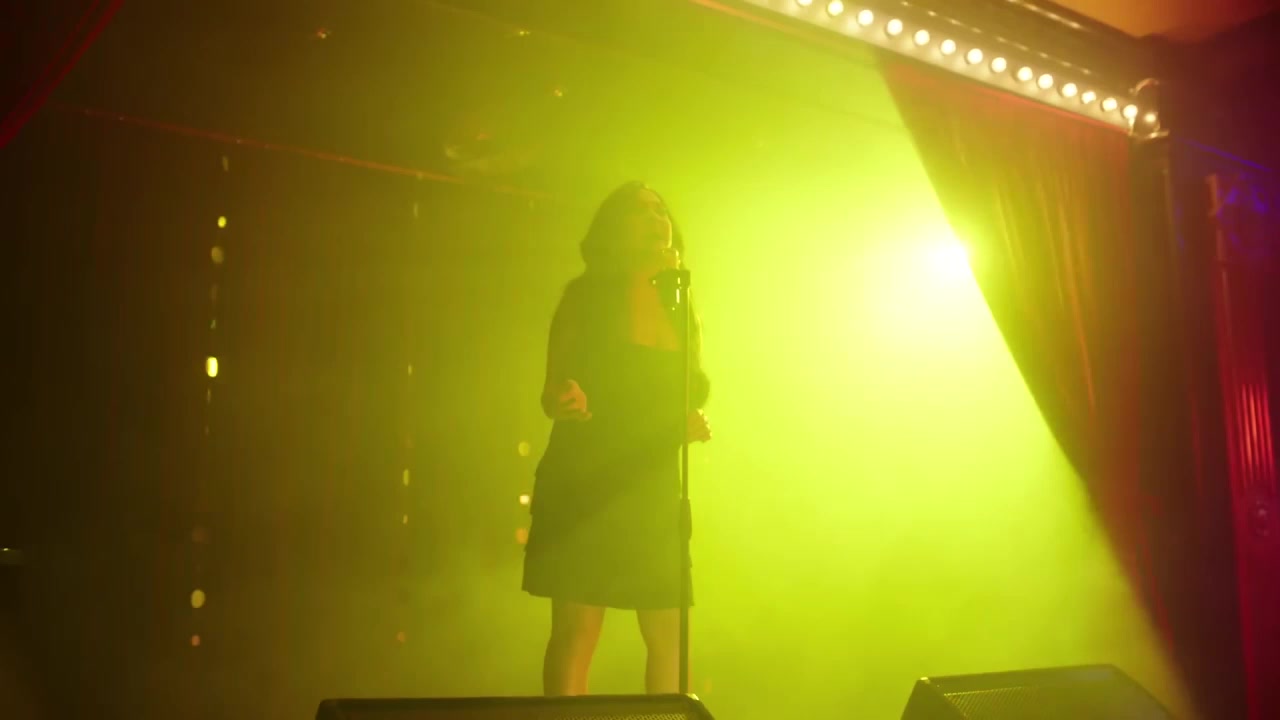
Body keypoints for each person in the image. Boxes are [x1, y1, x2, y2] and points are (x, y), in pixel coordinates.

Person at [522, 181, 712, 696]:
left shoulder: (678, 299)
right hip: (585, 477)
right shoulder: (584, 298)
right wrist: (565, 397)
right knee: (578, 630)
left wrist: (689, 421)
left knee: (670, 632)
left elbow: (689, 386)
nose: (656, 219)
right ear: (614, 229)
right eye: (640, 211)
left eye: (661, 210)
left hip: (652, 482)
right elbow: (551, 389)